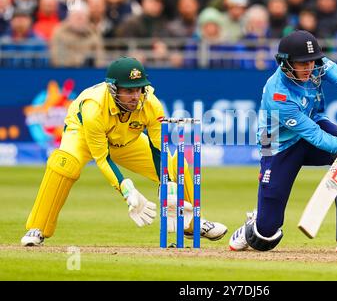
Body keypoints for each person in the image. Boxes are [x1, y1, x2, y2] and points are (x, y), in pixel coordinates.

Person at [21, 57, 227, 246]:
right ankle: (37, 228)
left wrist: (169, 186)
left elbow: (159, 149)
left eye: (138, 89)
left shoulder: (151, 104)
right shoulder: (94, 109)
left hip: (125, 140)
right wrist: (127, 190)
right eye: (128, 91)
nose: (135, 96)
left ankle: (191, 224)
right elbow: (102, 158)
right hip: (83, 135)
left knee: (175, 164)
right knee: (64, 164)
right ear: (113, 89)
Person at [229, 30, 337, 253]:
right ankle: (253, 224)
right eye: (302, 63)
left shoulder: (318, 65)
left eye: (311, 61)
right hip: (279, 146)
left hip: (314, 123)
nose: (309, 68)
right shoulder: (278, 94)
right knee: (265, 237)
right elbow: (313, 135)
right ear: (285, 64)